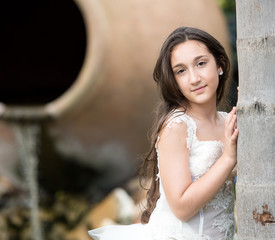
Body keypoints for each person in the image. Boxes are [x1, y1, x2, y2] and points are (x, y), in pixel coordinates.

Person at [88, 26, 238, 240]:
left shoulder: (228, 121)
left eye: (201, 63)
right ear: (174, 80)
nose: (194, 78)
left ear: (220, 65)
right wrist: (228, 158)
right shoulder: (177, 126)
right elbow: (182, 208)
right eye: (181, 71)